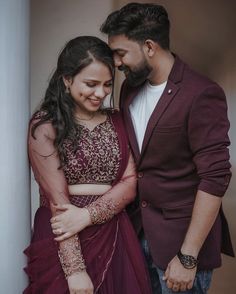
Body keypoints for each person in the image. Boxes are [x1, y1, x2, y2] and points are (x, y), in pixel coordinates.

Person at [99, 2, 235, 294]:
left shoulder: (201, 94)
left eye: (121, 53)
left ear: (149, 46)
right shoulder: (130, 89)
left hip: (181, 246)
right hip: (137, 235)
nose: (117, 63)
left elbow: (215, 177)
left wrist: (188, 256)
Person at [23, 35, 152, 294]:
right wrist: (75, 270)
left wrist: (88, 215)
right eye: (91, 84)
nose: (101, 93)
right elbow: (58, 203)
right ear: (67, 79)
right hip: (64, 235)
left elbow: (129, 183)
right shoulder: (45, 125)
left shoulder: (117, 120)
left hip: (114, 233)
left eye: (107, 84)